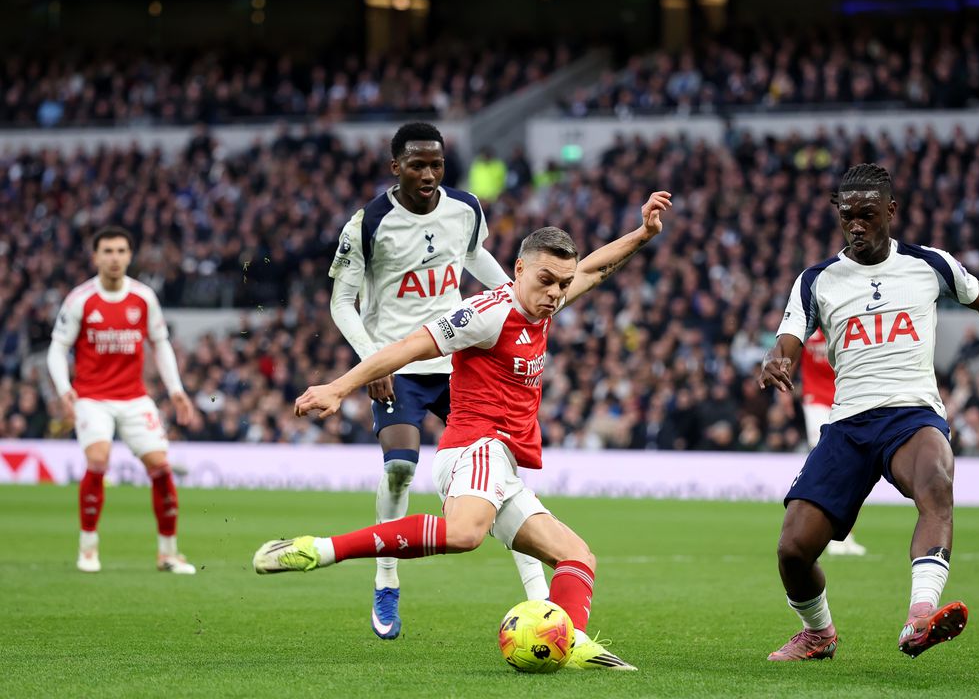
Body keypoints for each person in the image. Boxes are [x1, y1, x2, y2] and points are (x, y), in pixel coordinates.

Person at [255, 191, 673, 671]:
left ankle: (571, 641)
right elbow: (409, 347)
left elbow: (595, 270)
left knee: (578, 557)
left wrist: (643, 234)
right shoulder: (486, 313)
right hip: (475, 447)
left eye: (562, 284)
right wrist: (339, 386)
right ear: (518, 270)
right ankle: (320, 550)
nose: (556, 293)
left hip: (503, 463)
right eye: (546, 281)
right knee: (465, 533)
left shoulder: (544, 305)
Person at [759, 164, 979, 661]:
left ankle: (920, 616)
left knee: (936, 484)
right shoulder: (817, 280)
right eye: (847, 216)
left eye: (867, 214)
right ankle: (818, 634)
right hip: (847, 425)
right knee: (793, 550)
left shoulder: (930, 264)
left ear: (891, 211)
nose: (856, 226)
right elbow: (788, 340)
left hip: (912, 416)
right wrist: (776, 360)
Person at [328, 121, 548, 640]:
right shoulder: (368, 223)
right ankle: (386, 578)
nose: (429, 174)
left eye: (437, 164)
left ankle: (540, 600)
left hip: (458, 358)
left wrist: (518, 300)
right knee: (401, 468)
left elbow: (473, 256)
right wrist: (373, 360)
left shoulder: (466, 208)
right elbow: (341, 302)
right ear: (396, 167)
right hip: (398, 363)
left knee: (503, 470)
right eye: (418, 165)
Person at [46, 226, 199, 575]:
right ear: (95, 257)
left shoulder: (143, 297)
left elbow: (160, 343)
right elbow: (57, 347)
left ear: (130, 256)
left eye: (120, 251)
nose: (114, 258)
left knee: (161, 466)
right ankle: (88, 549)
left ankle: (168, 554)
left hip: (134, 397)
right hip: (92, 397)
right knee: (98, 459)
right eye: (107, 251)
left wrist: (175, 389)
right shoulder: (80, 299)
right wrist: (64, 389)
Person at [799, 328, 866, 556]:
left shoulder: (842, 323)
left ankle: (845, 535)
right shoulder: (806, 325)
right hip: (816, 400)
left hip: (844, 400)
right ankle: (825, 534)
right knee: (827, 465)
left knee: (851, 469)